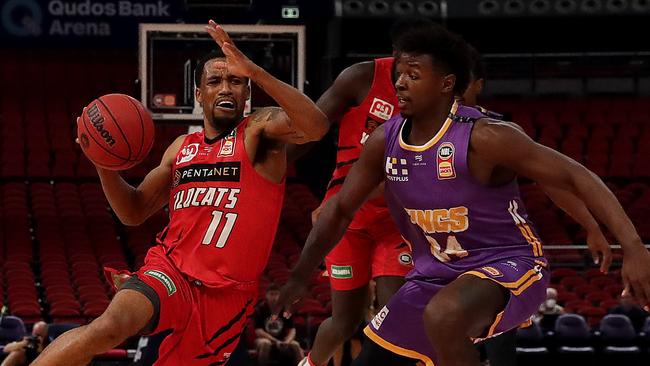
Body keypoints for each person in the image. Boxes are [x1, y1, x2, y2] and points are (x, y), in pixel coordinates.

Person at [279, 23, 650, 366]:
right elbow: (340, 208)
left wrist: (631, 246)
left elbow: (575, 176)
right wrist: (299, 275)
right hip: (436, 273)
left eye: (413, 75)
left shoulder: (487, 135)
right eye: (399, 75)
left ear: (446, 84)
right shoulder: (384, 140)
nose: (400, 84)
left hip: (509, 266)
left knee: (445, 315)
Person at [32, 20, 328, 366]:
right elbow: (133, 210)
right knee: (109, 326)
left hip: (226, 298)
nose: (226, 88)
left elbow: (316, 125)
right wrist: (103, 162)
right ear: (199, 94)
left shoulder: (260, 133)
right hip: (170, 269)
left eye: (235, 81)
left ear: (247, 93)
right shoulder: (179, 148)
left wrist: (254, 69)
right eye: (215, 81)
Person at [296, 18, 436, 366]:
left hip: (396, 221)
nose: (410, 73)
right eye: (407, 61)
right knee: (343, 320)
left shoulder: (434, 99)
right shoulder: (360, 78)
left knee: (395, 313)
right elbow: (309, 130)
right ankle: (310, 363)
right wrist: (272, 171)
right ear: (394, 54)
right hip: (348, 220)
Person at [254, 283, 304, 365]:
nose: (274, 297)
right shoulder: (260, 309)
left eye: (276, 294)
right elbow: (258, 331)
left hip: (282, 340)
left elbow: (292, 329)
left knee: (296, 345)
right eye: (271, 294)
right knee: (265, 343)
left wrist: (287, 341)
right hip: (264, 339)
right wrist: (275, 341)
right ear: (266, 295)